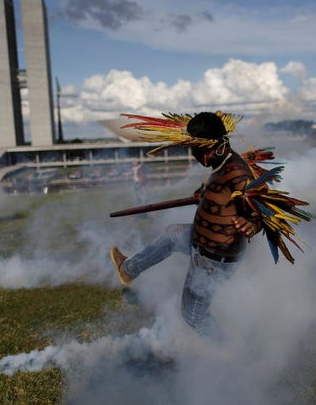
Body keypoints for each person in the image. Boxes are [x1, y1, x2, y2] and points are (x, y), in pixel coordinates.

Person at [110, 112, 262, 340]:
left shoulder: (238, 173)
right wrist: (204, 194)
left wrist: (252, 223)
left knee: (193, 316)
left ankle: (227, 351)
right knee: (172, 235)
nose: (195, 156)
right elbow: (219, 194)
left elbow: (263, 207)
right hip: (198, 240)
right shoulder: (220, 163)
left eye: (199, 151)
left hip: (212, 258)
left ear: (217, 146)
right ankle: (128, 270)